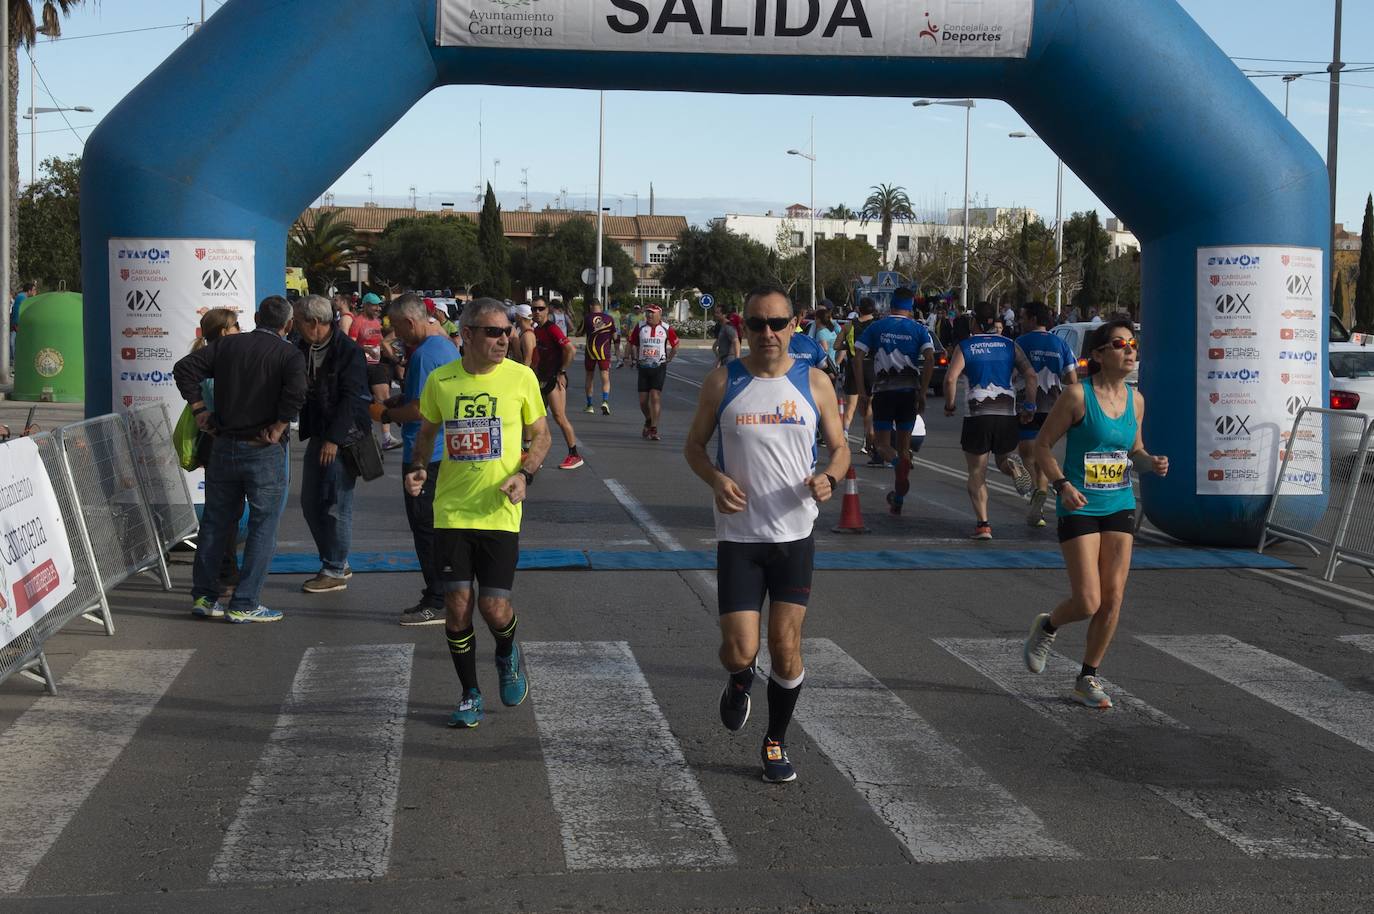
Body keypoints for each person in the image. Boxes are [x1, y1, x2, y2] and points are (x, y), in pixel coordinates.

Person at [683, 285, 850, 783]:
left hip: (794, 537)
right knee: (740, 650)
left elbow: (840, 448)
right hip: (739, 538)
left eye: (777, 323)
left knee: (786, 645)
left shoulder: (815, 382)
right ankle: (738, 681)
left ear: (794, 324)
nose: (768, 333)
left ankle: (775, 740)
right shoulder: (722, 381)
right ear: (745, 327)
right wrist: (716, 479)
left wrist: (830, 479)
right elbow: (693, 446)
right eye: (757, 324)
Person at [404, 298, 551, 728]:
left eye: (506, 331)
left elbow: (540, 436)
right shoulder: (441, 380)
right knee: (457, 605)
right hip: (451, 510)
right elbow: (425, 434)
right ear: (467, 335)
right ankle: (469, 693)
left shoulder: (521, 378)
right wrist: (416, 469)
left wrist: (525, 474)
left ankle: (506, 653)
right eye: (493, 332)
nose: (503, 339)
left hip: (500, 511)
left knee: (493, 607)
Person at [1022, 320, 1167, 709]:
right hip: (1080, 504)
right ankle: (1048, 626)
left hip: (1119, 503)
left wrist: (1150, 462)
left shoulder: (1137, 400)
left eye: (1133, 343)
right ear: (1100, 354)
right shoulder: (1077, 396)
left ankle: (1087, 677)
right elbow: (1042, 446)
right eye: (1120, 344)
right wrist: (1061, 486)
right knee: (1087, 600)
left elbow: (1134, 449)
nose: (1130, 350)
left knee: (1113, 598)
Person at [173, 296, 306, 623]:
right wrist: (278, 426)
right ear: (287, 325)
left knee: (216, 524)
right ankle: (244, 602)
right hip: (263, 449)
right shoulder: (289, 353)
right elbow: (297, 393)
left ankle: (204, 596)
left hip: (225, 446)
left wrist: (199, 409)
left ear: (258, 316)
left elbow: (184, 368)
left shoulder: (229, 346)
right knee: (263, 527)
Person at [379, 293, 462, 626]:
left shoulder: (424, 355)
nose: (396, 335)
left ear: (410, 322)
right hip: (444, 451)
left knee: (426, 530)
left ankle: (438, 598)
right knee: (438, 529)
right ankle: (441, 594)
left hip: (424, 454)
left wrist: (386, 412)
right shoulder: (443, 345)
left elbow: (419, 409)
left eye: (398, 328)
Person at [294, 295, 370, 593]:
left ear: (314, 323)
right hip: (318, 433)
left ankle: (334, 568)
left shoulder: (348, 351)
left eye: (299, 321)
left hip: (345, 438)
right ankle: (337, 558)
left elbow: (353, 397)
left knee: (338, 503)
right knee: (311, 503)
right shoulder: (302, 347)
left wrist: (334, 439)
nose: (295, 327)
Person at [943, 301, 1037, 540]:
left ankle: (983, 525)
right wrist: (1030, 405)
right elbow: (1030, 374)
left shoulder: (966, 346)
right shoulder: (1009, 345)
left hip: (977, 415)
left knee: (977, 471)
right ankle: (1012, 467)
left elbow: (950, 379)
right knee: (1004, 458)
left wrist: (950, 404)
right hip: (1006, 414)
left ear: (975, 322)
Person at [853, 288, 935, 516]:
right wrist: (923, 391)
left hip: (884, 391)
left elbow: (857, 357)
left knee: (881, 445)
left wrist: (862, 392)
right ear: (911, 308)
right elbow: (929, 359)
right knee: (904, 446)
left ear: (891, 304)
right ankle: (898, 498)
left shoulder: (877, 327)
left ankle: (898, 464)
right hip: (909, 391)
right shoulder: (920, 329)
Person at [1015, 302, 1079, 528]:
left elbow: (1011, 374)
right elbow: (1072, 380)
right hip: (1054, 408)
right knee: (1044, 453)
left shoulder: (1020, 343)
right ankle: (1039, 497)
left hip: (1027, 406)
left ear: (1032, 318)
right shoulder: (1061, 344)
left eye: (1023, 317)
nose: (1020, 321)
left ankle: (1037, 490)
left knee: (1027, 454)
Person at [530, 296, 583, 469]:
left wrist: (562, 371)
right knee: (538, 419)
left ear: (547, 310)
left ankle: (574, 455)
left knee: (560, 417)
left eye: (540, 309)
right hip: (542, 379)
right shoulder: (537, 330)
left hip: (554, 379)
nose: (537, 312)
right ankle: (536, 456)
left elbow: (570, 349)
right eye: (534, 309)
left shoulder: (552, 329)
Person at [348, 292, 398, 449]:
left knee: (383, 397)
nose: (378, 308)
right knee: (368, 400)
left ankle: (386, 437)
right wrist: (366, 350)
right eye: (374, 305)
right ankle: (367, 435)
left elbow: (381, 342)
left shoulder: (377, 322)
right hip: (364, 365)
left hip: (377, 364)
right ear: (366, 305)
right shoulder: (358, 322)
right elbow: (351, 345)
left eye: (378, 305)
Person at [836, 298, 878, 463]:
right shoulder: (877, 325)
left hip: (853, 367)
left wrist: (849, 346)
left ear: (859, 309)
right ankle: (868, 442)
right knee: (870, 409)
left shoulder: (849, 325)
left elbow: (837, 345)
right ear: (873, 309)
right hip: (872, 368)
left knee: (850, 408)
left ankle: (844, 435)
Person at [628, 303, 679, 441]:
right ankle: (649, 419)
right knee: (643, 401)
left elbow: (675, 344)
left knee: (655, 396)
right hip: (643, 367)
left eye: (652, 313)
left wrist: (669, 358)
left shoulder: (666, 328)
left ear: (659, 315)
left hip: (659, 366)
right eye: (648, 312)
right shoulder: (640, 326)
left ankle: (654, 429)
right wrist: (632, 357)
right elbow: (632, 342)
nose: (649, 315)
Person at [582, 299, 618, 415]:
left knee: (589, 377)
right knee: (605, 377)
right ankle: (605, 401)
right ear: (601, 306)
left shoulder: (587, 318)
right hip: (604, 353)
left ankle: (589, 405)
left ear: (591, 306)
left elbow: (578, 332)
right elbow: (615, 336)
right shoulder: (609, 319)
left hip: (590, 352)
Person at [8, 281, 35, 373]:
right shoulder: (23, 297)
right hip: (17, 325)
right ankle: (14, 364)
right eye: (34, 290)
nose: (35, 292)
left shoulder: (22, 297)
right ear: (29, 290)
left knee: (13, 344)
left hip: (16, 325)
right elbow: (20, 312)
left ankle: (14, 364)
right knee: (14, 344)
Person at [617, 302, 642, 368]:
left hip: (640, 333)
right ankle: (633, 359)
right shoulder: (630, 316)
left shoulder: (642, 316)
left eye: (637, 309)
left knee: (638, 347)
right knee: (631, 347)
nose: (636, 310)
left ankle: (638, 360)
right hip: (631, 333)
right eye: (635, 309)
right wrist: (626, 333)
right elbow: (628, 325)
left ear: (640, 309)